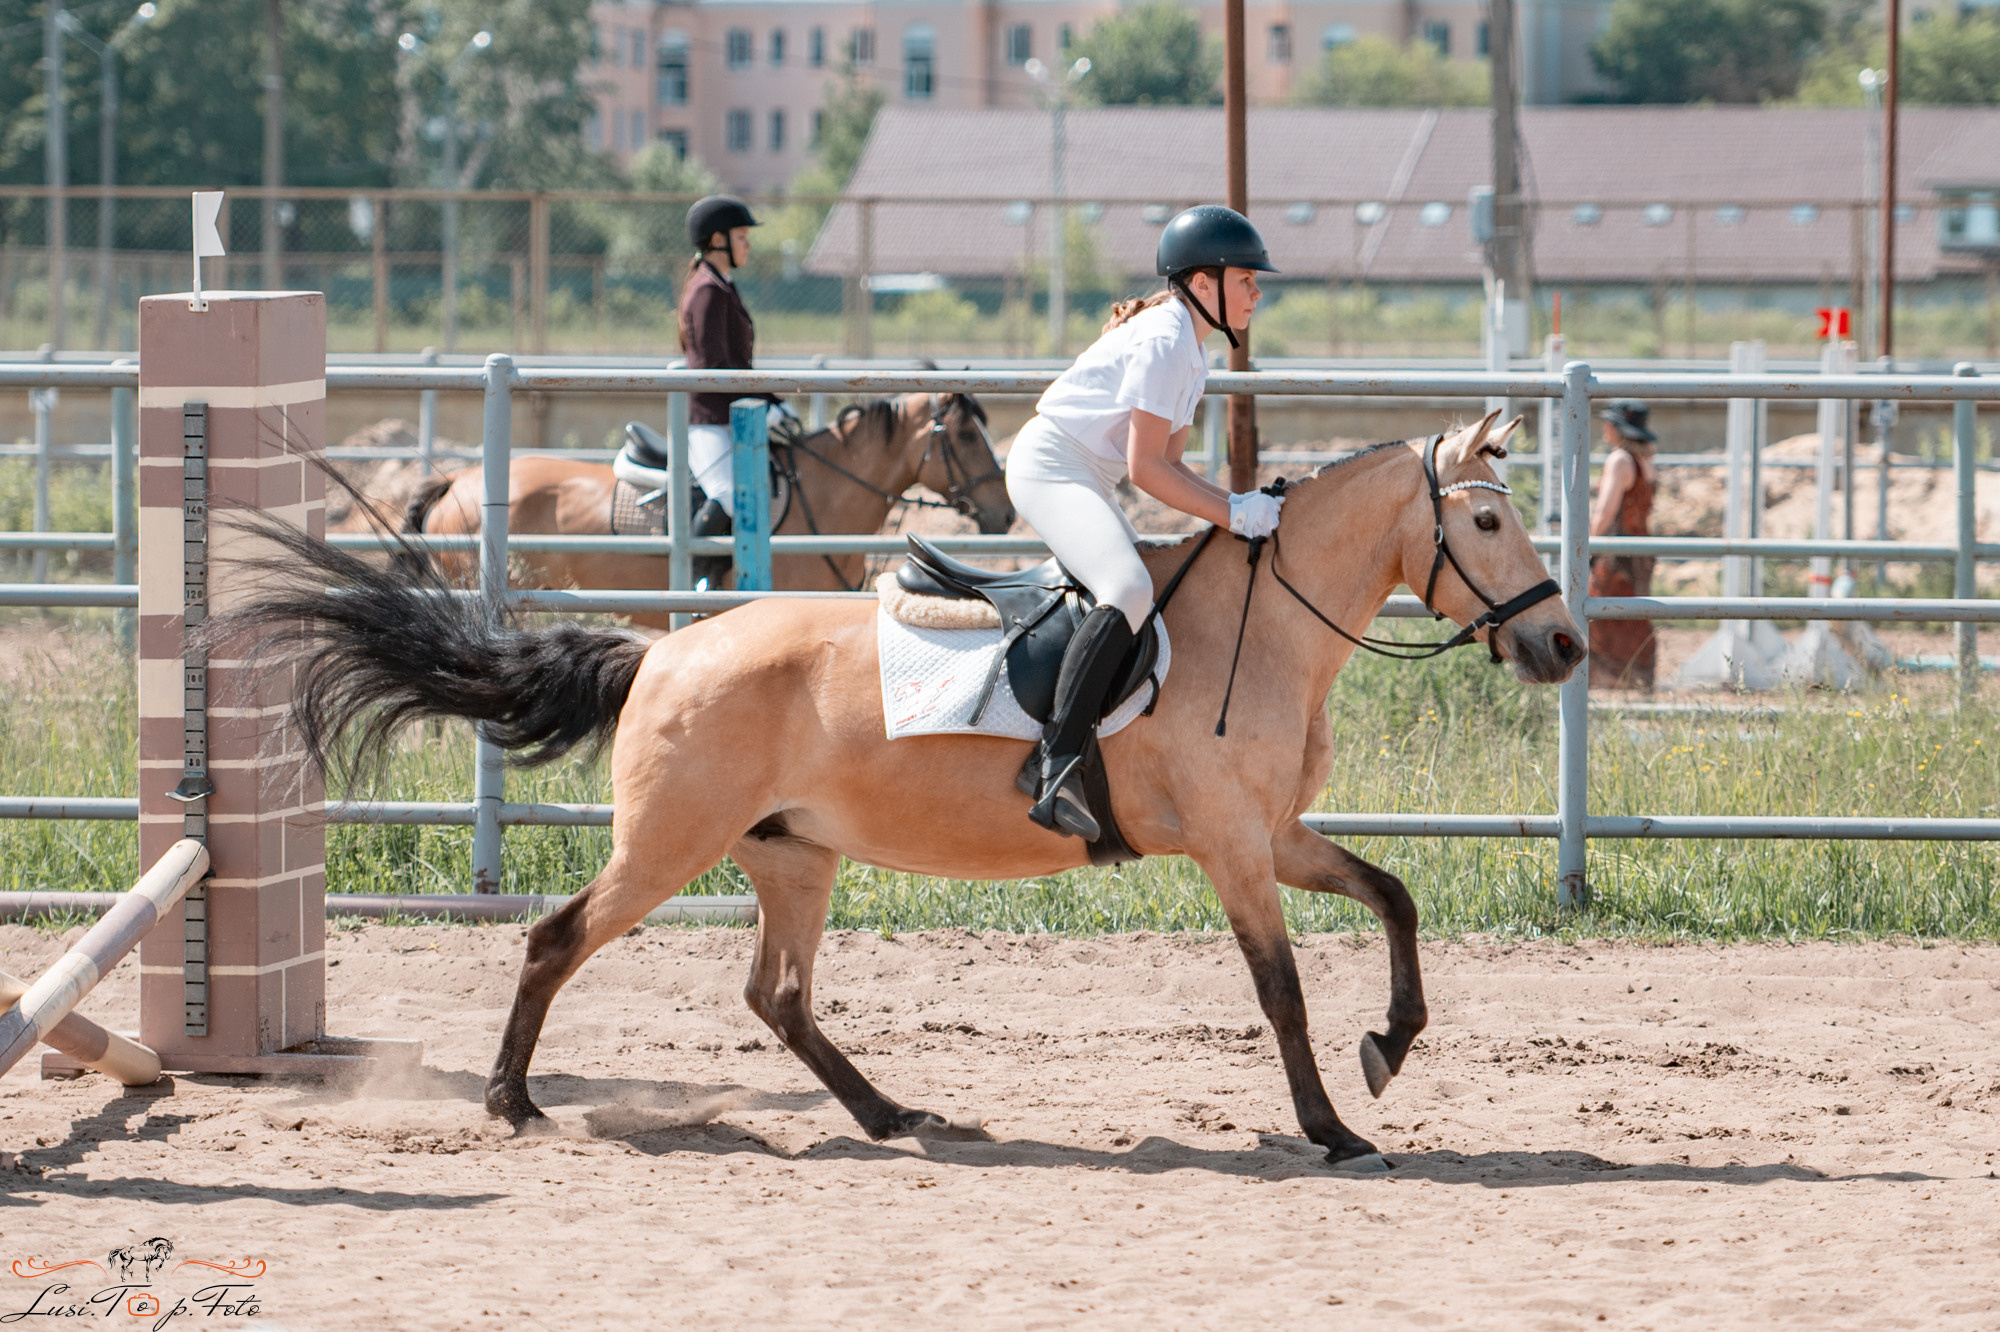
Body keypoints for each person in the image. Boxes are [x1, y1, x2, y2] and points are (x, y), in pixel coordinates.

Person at [1005, 204, 1282, 840]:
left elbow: (1172, 467)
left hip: (1085, 476)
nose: (1257, 292)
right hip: (1051, 467)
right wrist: (1235, 513)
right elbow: (1147, 472)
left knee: (1148, 589)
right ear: (1203, 283)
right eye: (1246, 280)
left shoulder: (1190, 348)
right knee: (1128, 589)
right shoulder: (1165, 341)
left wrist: (1235, 505)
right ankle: (1053, 767)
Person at [678, 194, 786, 588]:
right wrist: (760, 401)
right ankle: (695, 584)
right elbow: (713, 368)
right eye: (742, 236)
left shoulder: (723, 285)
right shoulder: (707, 290)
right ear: (718, 240)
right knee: (725, 494)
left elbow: (738, 364)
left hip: (731, 417)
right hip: (710, 421)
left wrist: (773, 400)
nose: (748, 244)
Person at [1587, 399, 1659, 689]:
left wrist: (1587, 545)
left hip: (1615, 551)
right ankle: (1637, 680)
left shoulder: (1619, 460)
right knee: (1634, 615)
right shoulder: (1645, 462)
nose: (1604, 426)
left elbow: (1606, 512)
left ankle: (1608, 684)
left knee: (1598, 613)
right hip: (1640, 548)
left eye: (1609, 422)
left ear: (1619, 429)